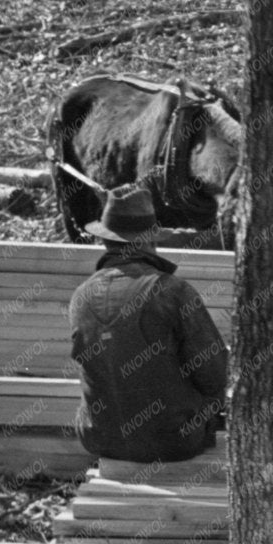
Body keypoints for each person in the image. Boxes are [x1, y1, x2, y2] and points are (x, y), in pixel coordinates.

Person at [67, 182, 230, 464]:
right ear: (149, 241)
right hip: (174, 442)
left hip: (99, 438)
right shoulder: (173, 292)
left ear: (106, 240)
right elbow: (214, 374)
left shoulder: (80, 296)